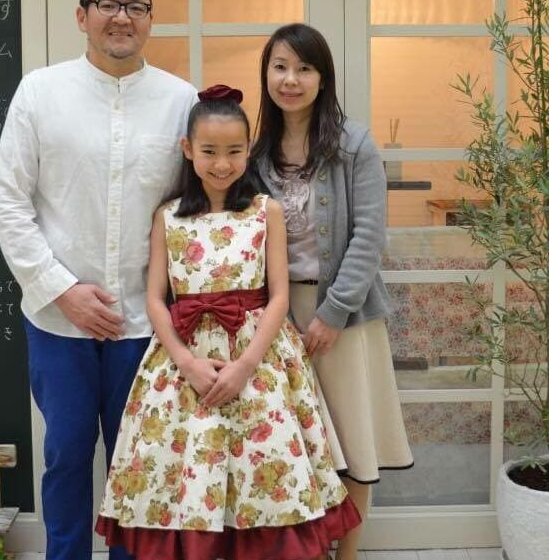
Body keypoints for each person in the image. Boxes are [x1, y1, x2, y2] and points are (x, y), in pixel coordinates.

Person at [96, 85, 362, 560]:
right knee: (185, 470)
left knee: (262, 468)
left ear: (248, 150)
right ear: (188, 150)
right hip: (183, 363)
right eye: (209, 151)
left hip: (258, 359)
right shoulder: (167, 217)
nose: (222, 163)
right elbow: (156, 299)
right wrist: (186, 362)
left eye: (235, 151)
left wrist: (244, 366)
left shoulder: (265, 212)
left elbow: (279, 297)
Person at [0, 0, 198, 560]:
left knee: (140, 463)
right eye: (108, 4)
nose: (121, 17)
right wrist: (61, 289)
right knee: (66, 457)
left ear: (150, 19)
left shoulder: (180, 101)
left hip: (147, 323)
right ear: (82, 16)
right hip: (59, 321)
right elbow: (9, 200)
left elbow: (196, 208)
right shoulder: (40, 92)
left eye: (135, 6)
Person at [250, 23, 414, 560]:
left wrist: (334, 312)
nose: (290, 79)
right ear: (266, 74)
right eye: (280, 67)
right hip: (275, 316)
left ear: (324, 78)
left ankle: (349, 554)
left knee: (353, 445)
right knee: (295, 442)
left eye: (304, 68)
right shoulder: (255, 154)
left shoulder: (353, 144)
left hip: (345, 315)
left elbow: (370, 236)